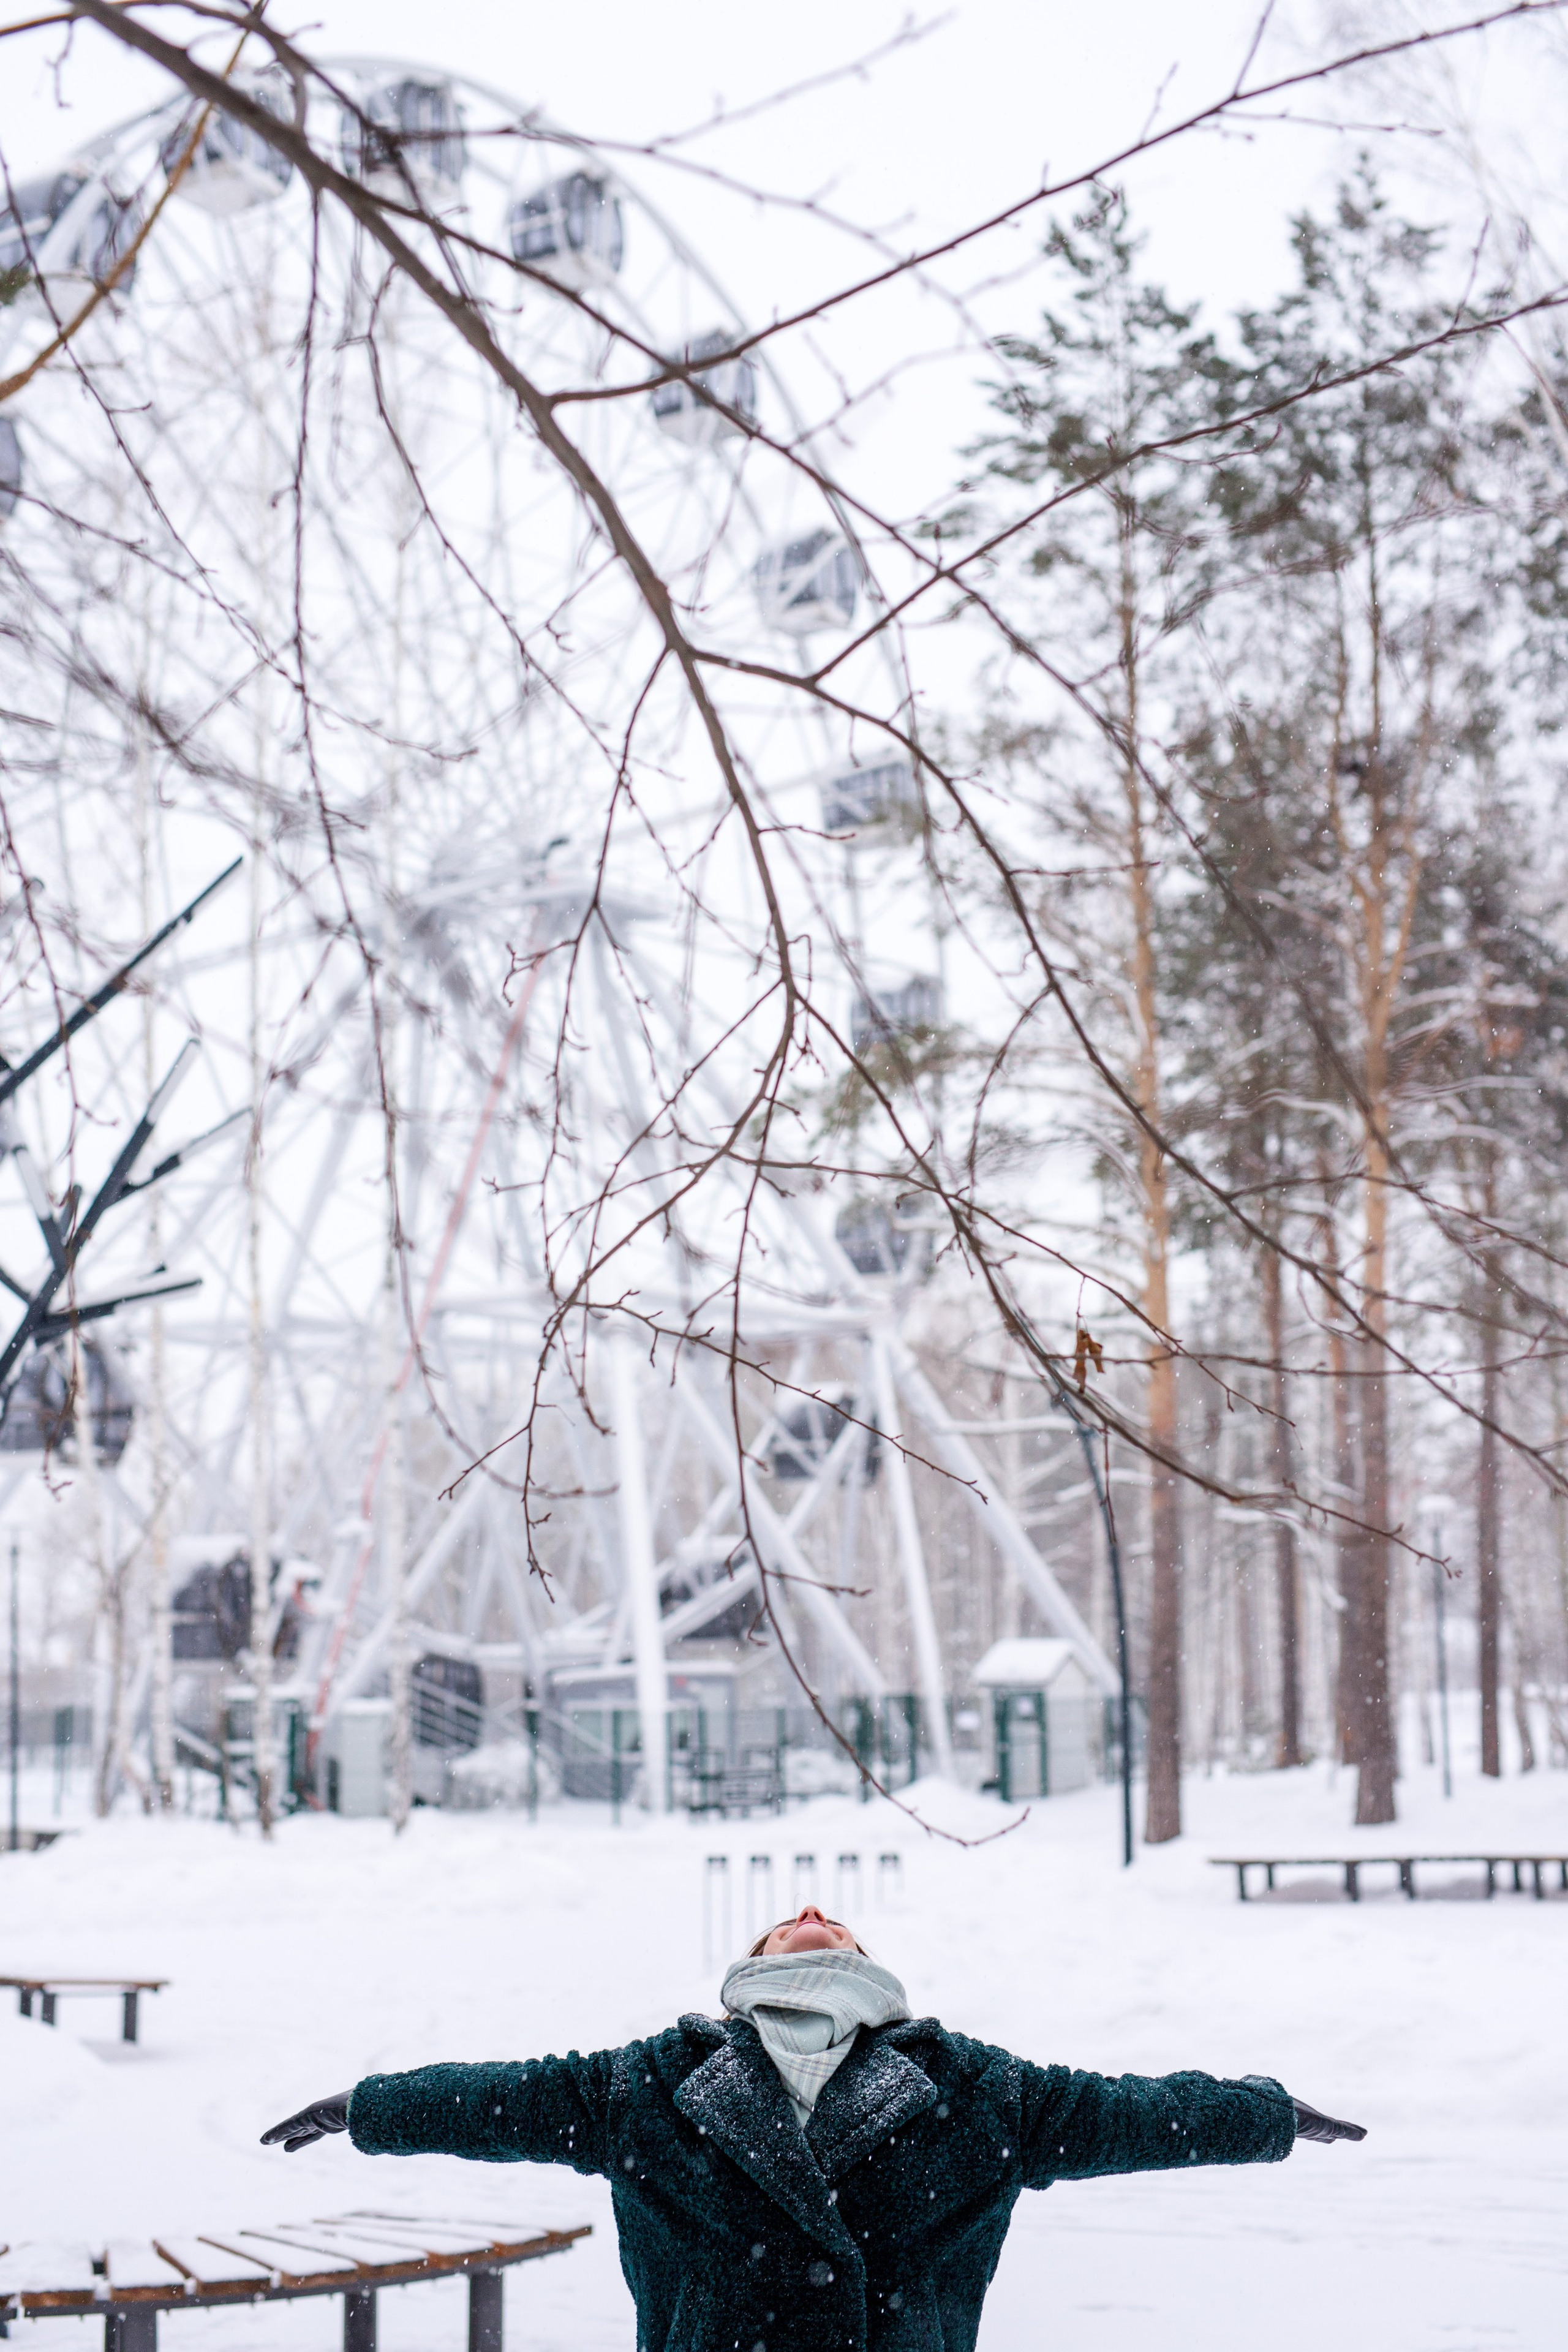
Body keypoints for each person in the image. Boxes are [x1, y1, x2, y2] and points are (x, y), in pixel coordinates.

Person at [262, 1902, 1365, 2352]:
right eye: (788, 1921)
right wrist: (366, 2110)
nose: (809, 1915)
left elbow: (1140, 2113)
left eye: (829, 1920)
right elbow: (492, 2099)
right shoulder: (644, 2084)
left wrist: (1260, 2116)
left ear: (869, 1971)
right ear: (747, 1975)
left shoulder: (982, 2092)